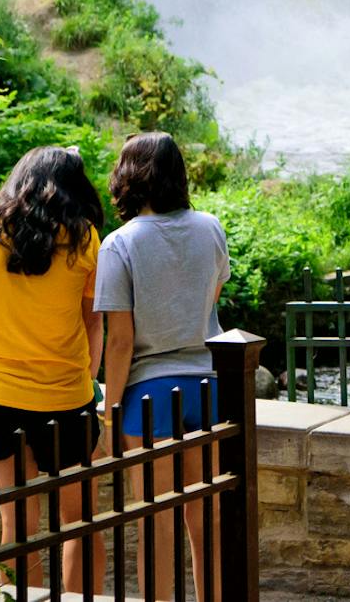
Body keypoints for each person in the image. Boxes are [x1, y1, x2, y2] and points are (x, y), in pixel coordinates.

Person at [0, 146, 104, 588]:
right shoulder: (84, 238)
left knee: (16, 523)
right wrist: (90, 381)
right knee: (80, 521)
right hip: (65, 395)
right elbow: (93, 320)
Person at [96, 133, 231, 602]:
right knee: (207, 519)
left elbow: (120, 343)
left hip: (150, 394)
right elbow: (211, 299)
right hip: (209, 387)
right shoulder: (211, 228)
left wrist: (110, 416)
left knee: (157, 521)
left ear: (128, 177)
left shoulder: (119, 244)